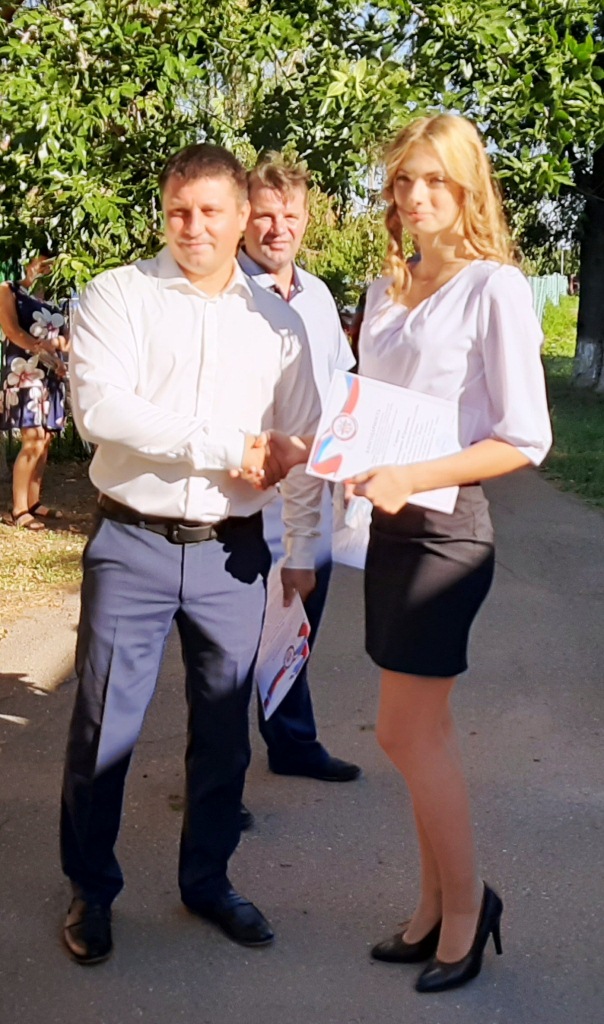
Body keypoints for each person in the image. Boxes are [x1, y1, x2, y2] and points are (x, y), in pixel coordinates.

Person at [260, 114, 552, 993]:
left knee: (404, 733)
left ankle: (467, 908)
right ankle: (432, 906)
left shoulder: (495, 287)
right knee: (424, 733)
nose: (416, 196)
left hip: (446, 534)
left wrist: (412, 474)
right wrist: (314, 450)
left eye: (435, 180)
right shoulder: (388, 288)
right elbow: (370, 412)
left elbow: (524, 438)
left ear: (467, 188)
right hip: (386, 529)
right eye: (403, 180)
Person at [60, 143, 322, 965]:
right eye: (179, 210)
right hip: (130, 544)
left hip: (232, 556)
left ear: (243, 217)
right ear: (163, 213)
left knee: (224, 736)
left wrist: (303, 544)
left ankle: (207, 882)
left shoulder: (278, 325)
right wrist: (229, 445)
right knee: (104, 728)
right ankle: (91, 890)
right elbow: (103, 410)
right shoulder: (118, 295)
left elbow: (302, 441)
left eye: (211, 211)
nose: (193, 226)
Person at [238, 152, 361, 785]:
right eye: (264, 215)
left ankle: (292, 743)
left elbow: (343, 385)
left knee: (297, 627)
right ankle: (219, 785)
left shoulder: (317, 296)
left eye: (290, 215)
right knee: (233, 650)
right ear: (243, 218)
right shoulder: (225, 296)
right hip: (249, 502)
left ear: (307, 218)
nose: (277, 228)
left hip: (316, 500)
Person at [0, 254, 68, 530]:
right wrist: (44, 350)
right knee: (33, 438)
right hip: (24, 373)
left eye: (51, 264)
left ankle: (33, 501)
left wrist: (58, 353)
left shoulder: (56, 298)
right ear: (28, 262)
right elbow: (12, 331)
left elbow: (67, 340)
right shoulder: (9, 290)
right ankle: (18, 509)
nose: (45, 268)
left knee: (46, 439)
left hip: (51, 375)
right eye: (41, 262)